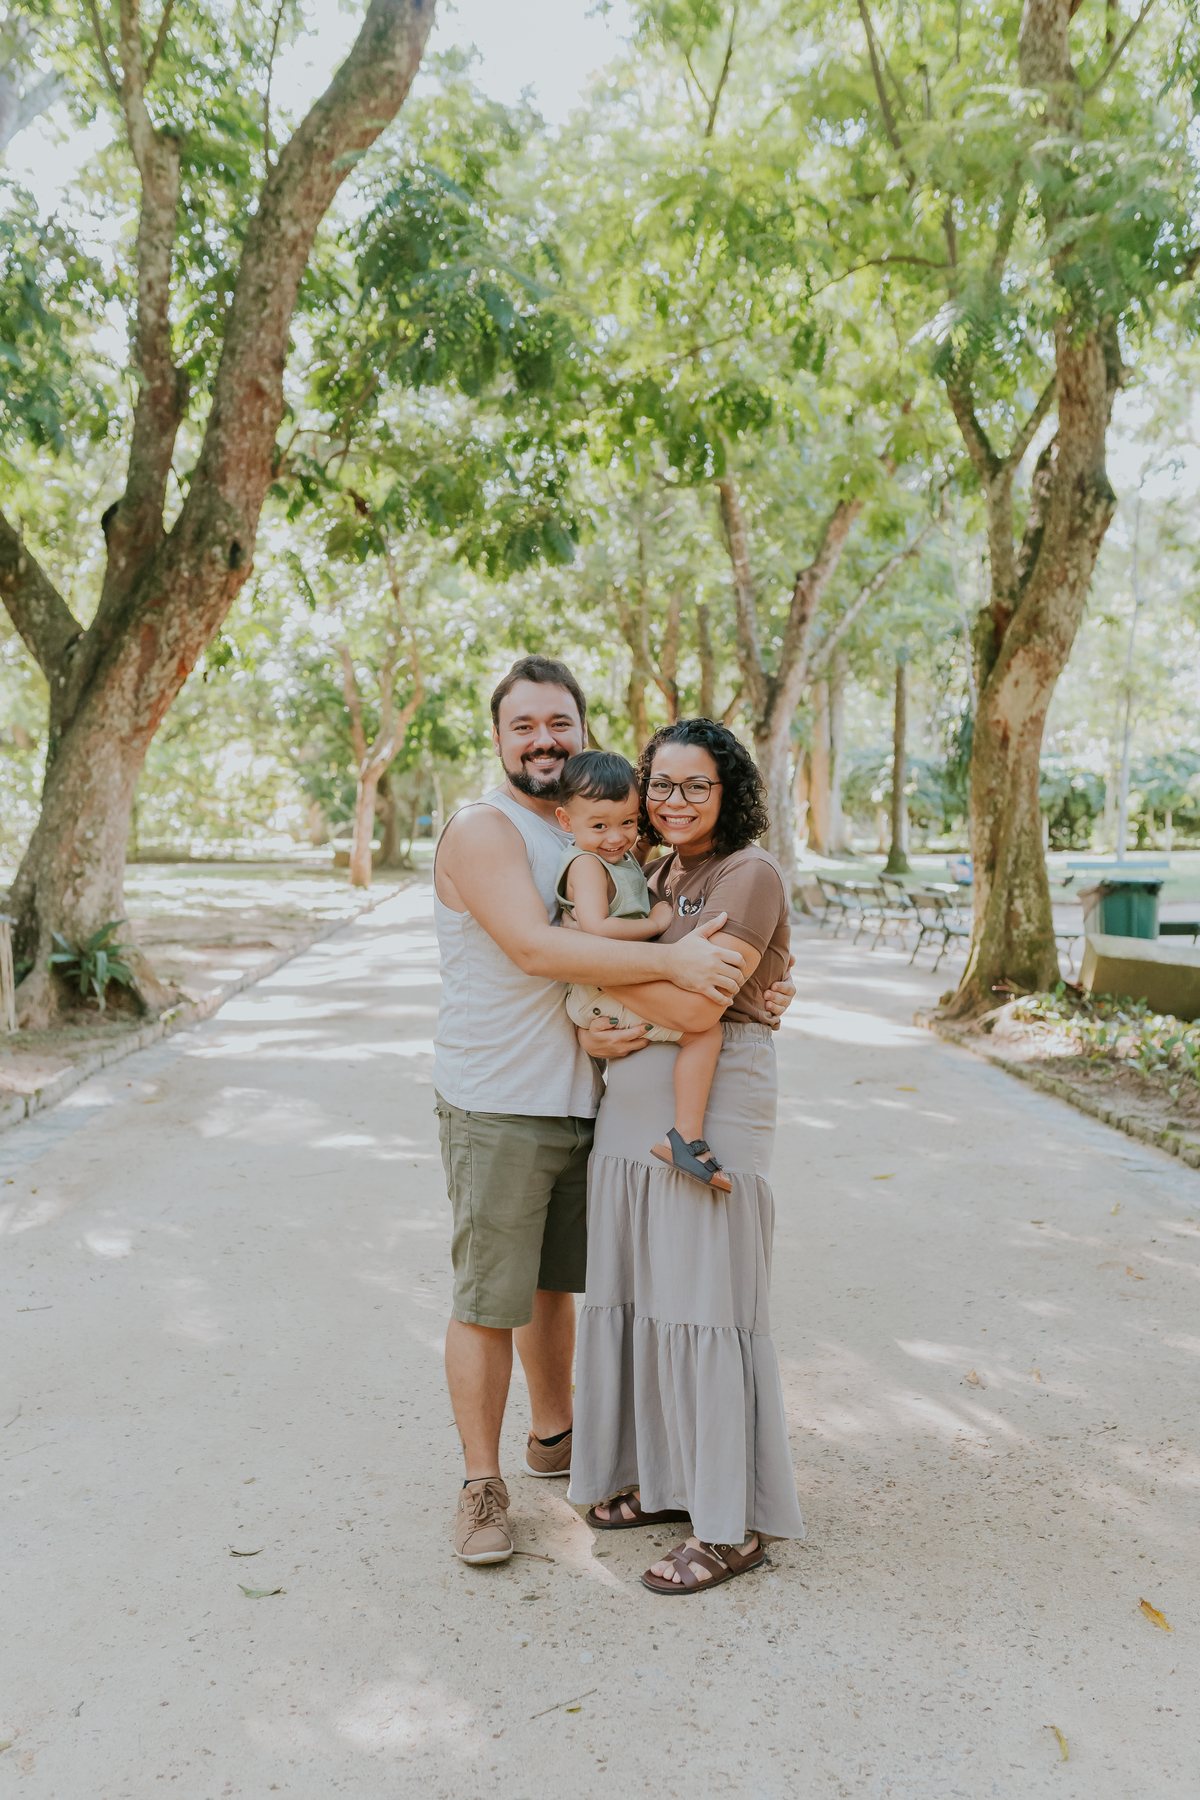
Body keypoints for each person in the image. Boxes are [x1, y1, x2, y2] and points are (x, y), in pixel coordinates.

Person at [431, 656, 796, 1567]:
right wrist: (682, 973)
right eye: (524, 726)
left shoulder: (611, 837)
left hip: (591, 1105)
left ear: (584, 732)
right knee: (489, 1297)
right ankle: (482, 1483)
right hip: (502, 1101)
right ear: (499, 738)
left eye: (560, 723)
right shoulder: (487, 829)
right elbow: (532, 946)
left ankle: (558, 1439)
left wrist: (753, 988)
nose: (544, 740)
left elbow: (713, 936)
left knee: (570, 1290)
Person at [568, 716, 806, 1594]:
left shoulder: (748, 873)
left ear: (728, 790)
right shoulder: (654, 873)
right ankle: (671, 1483)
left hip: (711, 1112)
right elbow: (643, 974)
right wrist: (604, 1019)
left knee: (705, 1303)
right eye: (659, 784)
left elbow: (707, 1009)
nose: (673, 801)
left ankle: (731, 1524)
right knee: (645, 1298)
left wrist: (607, 988)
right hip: (631, 1118)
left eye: (694, 785)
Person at [554, 748, 730, 1192]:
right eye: (599, 826)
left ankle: (684, 1135)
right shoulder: (586, 865)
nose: (616, 837)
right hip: (599, 988)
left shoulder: (619, 858)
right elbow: (594, 928)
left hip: (610, 982)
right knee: (704, 1031)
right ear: (566, 822)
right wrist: (655, 922)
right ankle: (686, 1137)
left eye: (628, 823)